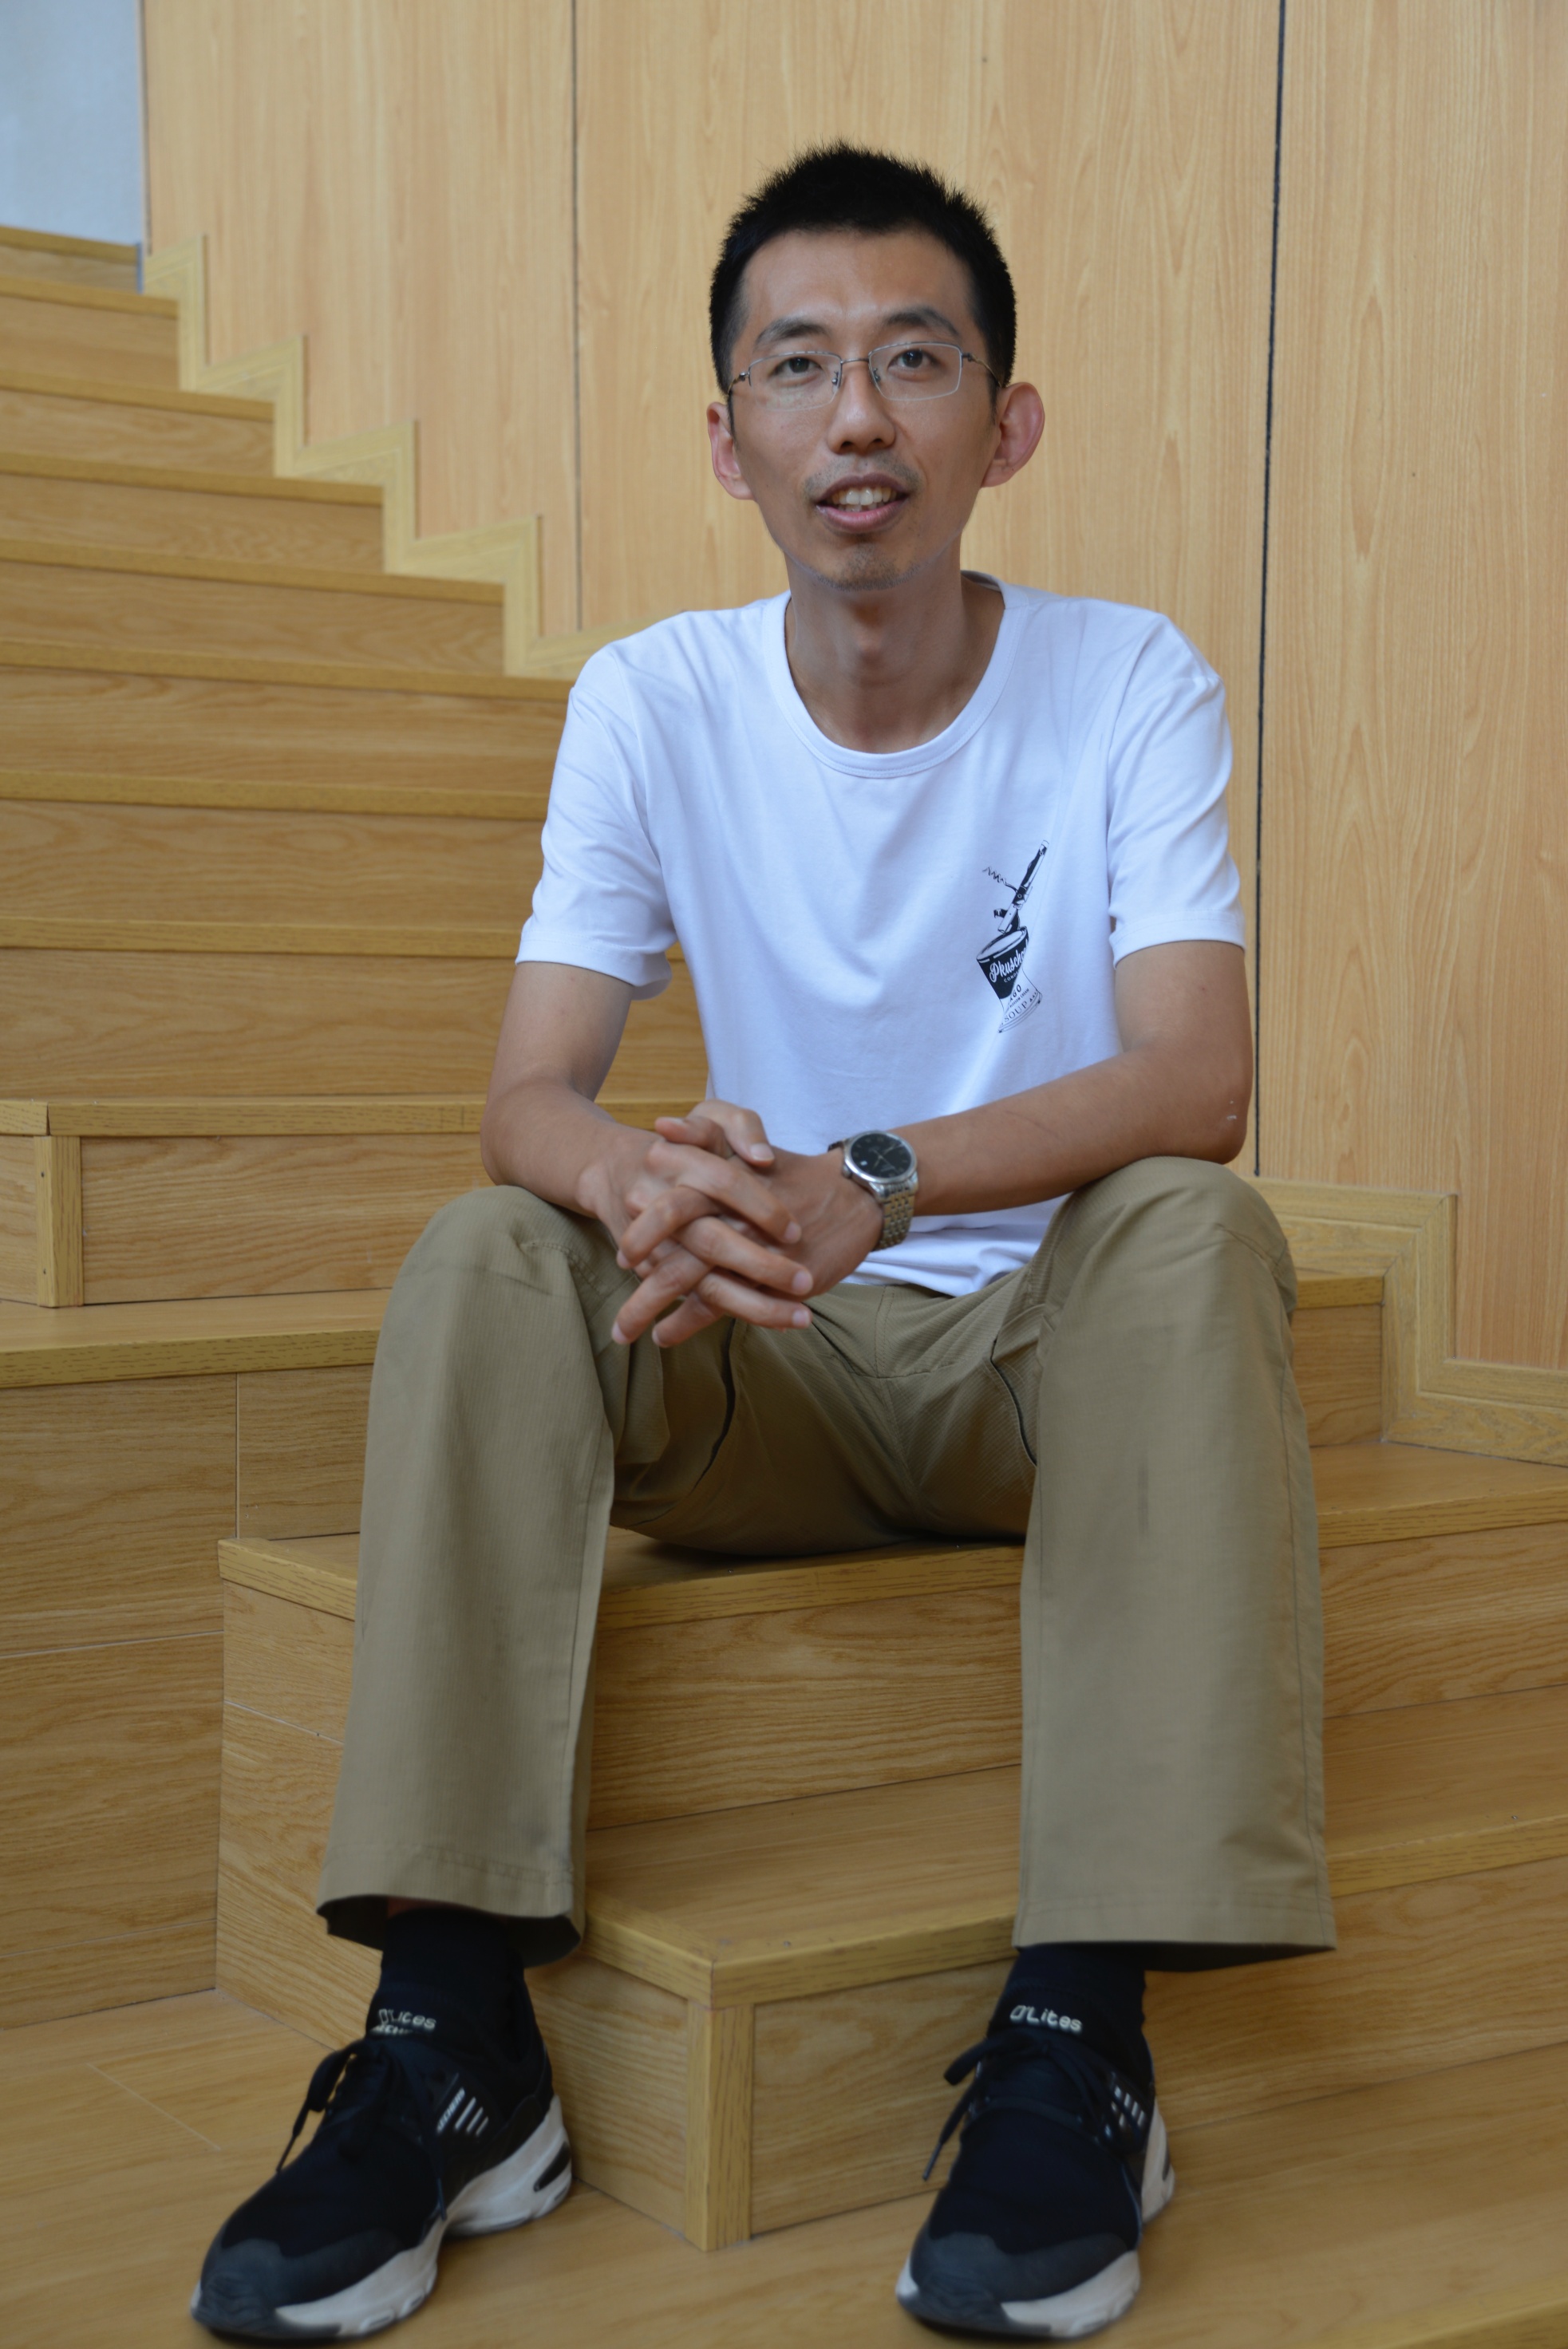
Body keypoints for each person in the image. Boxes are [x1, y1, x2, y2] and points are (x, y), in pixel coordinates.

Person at [193, 144, 1332, 2343]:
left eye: (915, 360)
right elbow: (528, 1093)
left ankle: (1082, 2041)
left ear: (1005, 423)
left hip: (1037, 1376)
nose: (856, 417)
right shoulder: (654, 698)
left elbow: (1199, 1076)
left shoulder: (1128, 682)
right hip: (768, 1366)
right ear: (730, 441)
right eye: (798, 368)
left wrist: (878, 1173)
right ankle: (450, 2041)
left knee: (1197, 1229)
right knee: (488, 1246)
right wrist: (640, 1183)